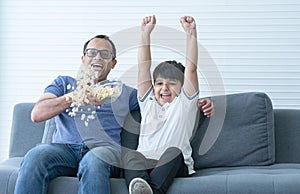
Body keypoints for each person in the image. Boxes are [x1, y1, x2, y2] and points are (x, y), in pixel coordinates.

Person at [14, 33, 213, 193]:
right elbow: (36, 114)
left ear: (113, 63)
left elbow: (162, 100)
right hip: (63, 149)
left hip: (103, 150)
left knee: (94, 161)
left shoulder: (125, 92)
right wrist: (74, 97)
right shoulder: (63, 83)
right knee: (35, 156)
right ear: (83, 58)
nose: (98, 57)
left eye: (105, 54)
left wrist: (199, 104)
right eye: (92, 53)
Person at [123, 15, 203, 194]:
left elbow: (191, 69)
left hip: (173, 164)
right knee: (131, 155)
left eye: (172, 83)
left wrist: (191, 34)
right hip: (144, 167)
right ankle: (144, 189)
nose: (164, 88)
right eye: (159, 83)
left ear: (182, 88)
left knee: (173, 151)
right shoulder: (148, 102)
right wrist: (145, 34)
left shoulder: (184, 104)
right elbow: (143, 67)